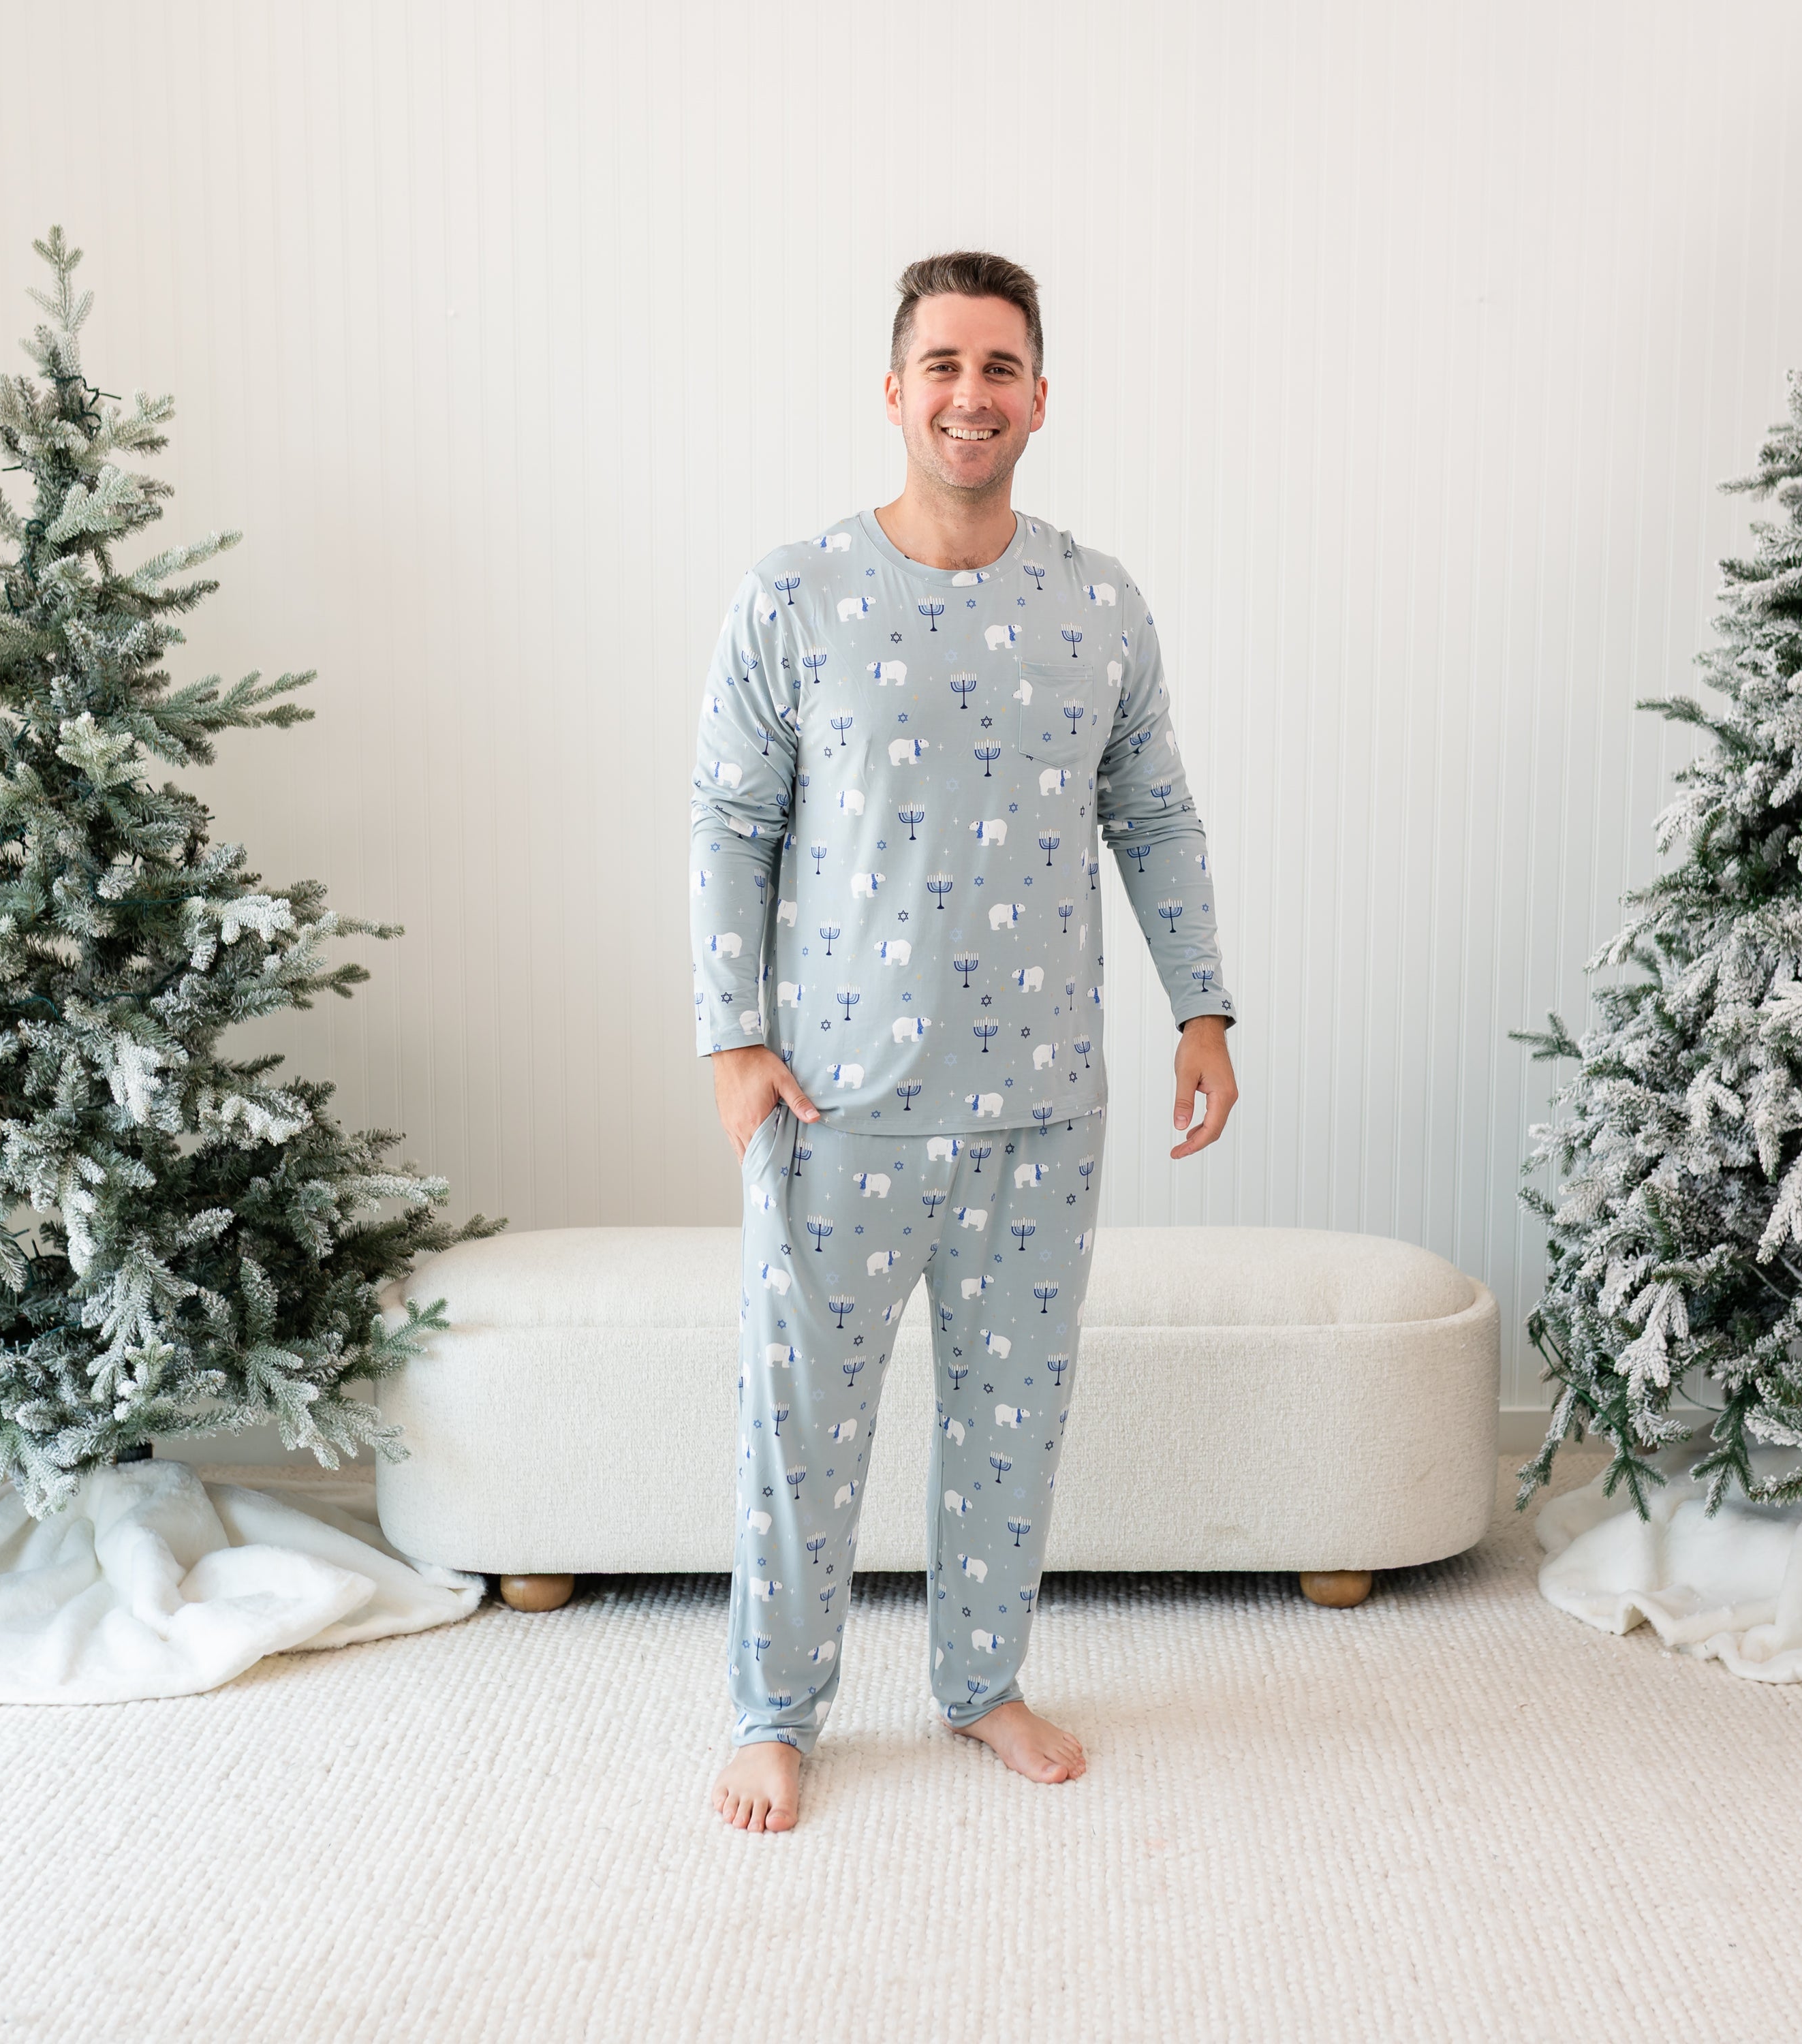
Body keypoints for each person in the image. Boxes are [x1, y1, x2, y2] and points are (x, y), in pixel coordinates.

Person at [689, 251, 1239, 1833]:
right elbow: (730, 818)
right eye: (942, 365)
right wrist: (734, 1039)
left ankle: (981, 1682)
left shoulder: (1100, 601)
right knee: (802, 1424)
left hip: (1044, 1105)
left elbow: (1156, 816)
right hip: (838, 1101)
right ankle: (775, 1709)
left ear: (1040, 398)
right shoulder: (794, 596)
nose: (970, 396)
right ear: (894, 390)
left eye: (1000, 368)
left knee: (1015, 1421)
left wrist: (1203, 1008)